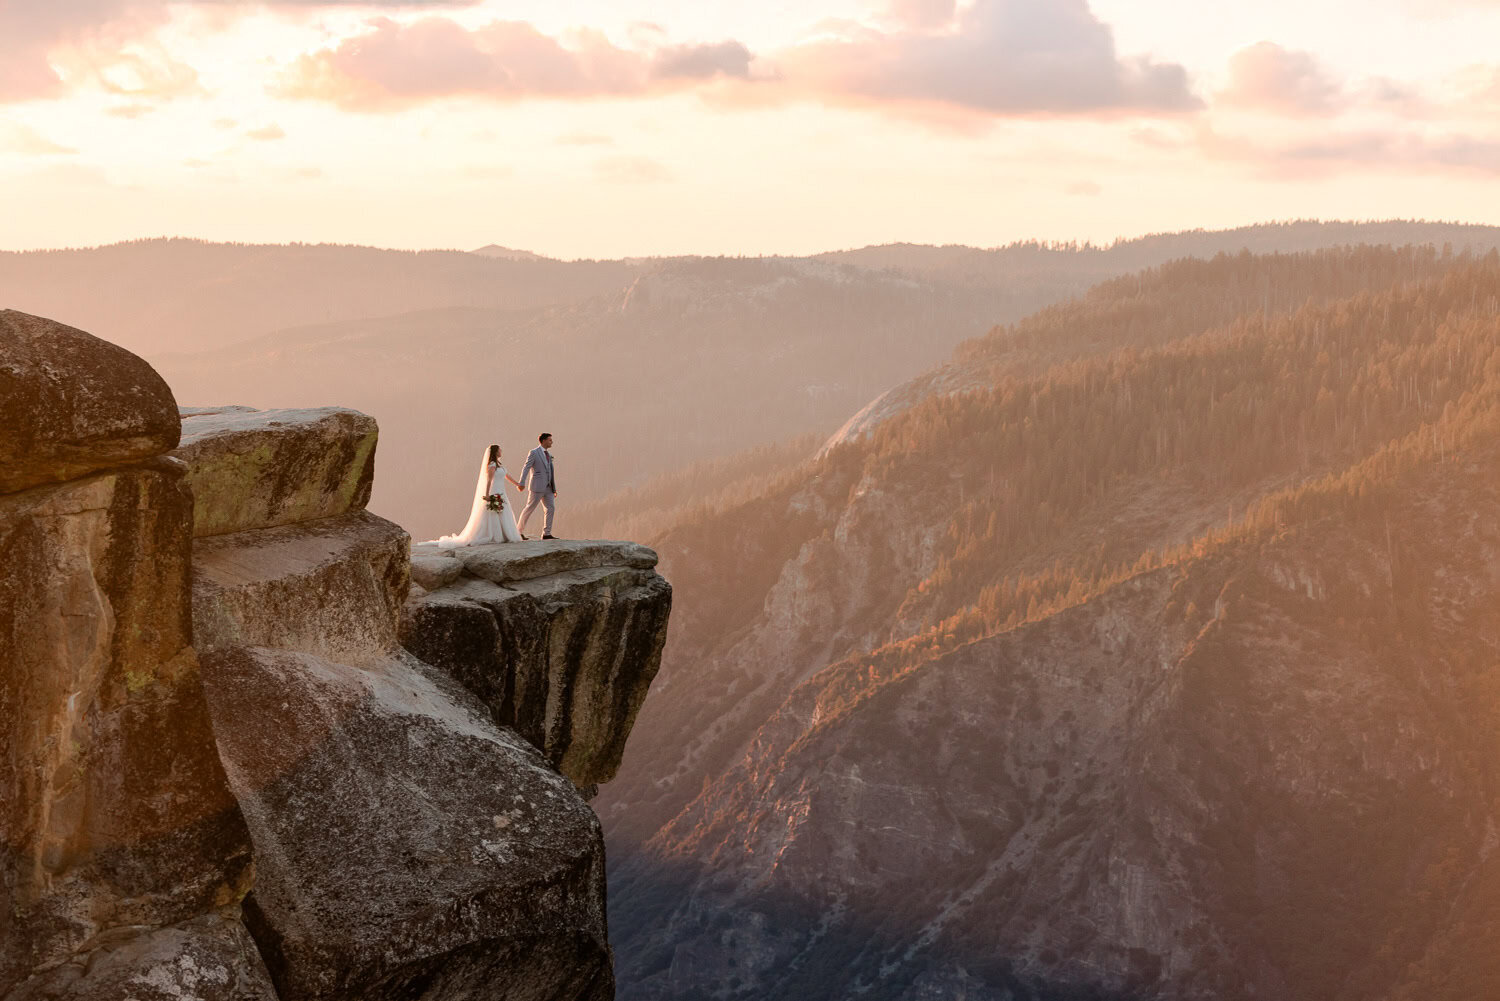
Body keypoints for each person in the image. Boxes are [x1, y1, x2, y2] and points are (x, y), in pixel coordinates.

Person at [434, 444, 525, 548]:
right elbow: (489, 480)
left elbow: (506, 476)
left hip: (502, 491)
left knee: (504, 512)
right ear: (496, 452)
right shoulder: (492, 464)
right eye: (500, 450)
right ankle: (495, 535)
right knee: (493, 513)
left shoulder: (499, 465)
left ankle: (505, 534)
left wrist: (517, 484)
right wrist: (487, 494)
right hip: (494, 491)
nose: (501, 452)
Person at [516, 432, 558, 540]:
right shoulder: (534, 452)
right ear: (543, 441)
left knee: (551, 508)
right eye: (549, 440)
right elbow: (526, 467)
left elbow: (551, 471)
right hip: (537, 486)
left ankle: (546, 533)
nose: (551, 442)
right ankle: (518, 531)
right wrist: (522, 482)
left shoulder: (548, 454)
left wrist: (553, 488)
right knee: (529, 508)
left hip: (548, 487)